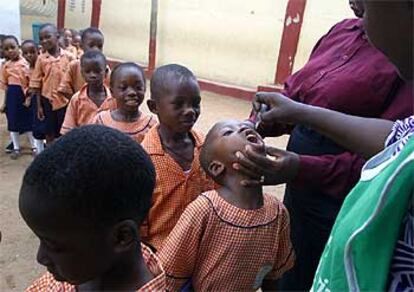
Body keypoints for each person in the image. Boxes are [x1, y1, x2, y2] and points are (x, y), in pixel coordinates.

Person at [236, 0, 413, 290]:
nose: (354, 4)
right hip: (301, 187)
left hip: (338, 193)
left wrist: (300, 166)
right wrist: (275, 117)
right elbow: (397, 136)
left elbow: (387, 153)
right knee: (293, 262)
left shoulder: (401, 62)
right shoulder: (341, 32)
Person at [21, 125, 166, 291]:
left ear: (121, 237)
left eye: (54, 246)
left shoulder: (81, 268)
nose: (41, 258)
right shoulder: (81, 272)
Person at [158, 120, 294, 291]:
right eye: (229, 132)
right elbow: (171, 270)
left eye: (246, 127)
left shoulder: (277, 211)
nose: (244, 128)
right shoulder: (205, 209)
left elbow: (275, 274)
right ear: (217, 168)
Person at [140, 64, 215, 251]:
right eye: (179, 104)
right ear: (154, 107)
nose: (190, 111)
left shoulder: (207, 148)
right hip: (162, 252)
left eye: (195, 103)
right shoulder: (143, 159)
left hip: (202, 247)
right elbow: (138, 214)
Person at [29, 23, 75, 143]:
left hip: (65, 101)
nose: (44, 41)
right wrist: (39, 106)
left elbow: (74, 80)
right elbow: (37, 84)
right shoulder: (41, 59)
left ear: (57, 36)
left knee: (64, 132)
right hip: (47, 101)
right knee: (49, 132)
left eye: (48, 37)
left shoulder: (70, 57)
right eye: (41, 39)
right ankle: (50, 156)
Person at [92, 62, 155, 143]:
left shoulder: (151, 125)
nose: (131, 92)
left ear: (145, 89)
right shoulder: (100, 121)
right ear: (112, 92)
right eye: (123, 88)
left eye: (138, 87)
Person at [61, 51, 116, 134]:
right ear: (82, 73)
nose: (92, 75)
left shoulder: (114, 99)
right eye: (88, 72)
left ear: (106, 72)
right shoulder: (76, 99)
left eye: (97, 71)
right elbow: (68, 129)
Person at [0, 35, 35, 159]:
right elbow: (4, 85)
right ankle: (16, 147)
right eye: (6, 49)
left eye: (12, 47)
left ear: (18, 47)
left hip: (24, 95)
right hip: (12, 97)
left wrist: (29, 98)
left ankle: (34, 146)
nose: (10, 51)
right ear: (3, 51)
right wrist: (4, 103)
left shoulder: (26, 63)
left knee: (28, 122)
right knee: (13, 122)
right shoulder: (5, 66)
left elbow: (31, 83)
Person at [58, 27, 108, 100]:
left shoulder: (104, 67)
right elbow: (64, 89)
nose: (96, 49)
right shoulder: (74, 65)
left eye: (99, 46)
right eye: (91, 45)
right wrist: (78, 101)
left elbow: (110, 90)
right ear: (81, 45)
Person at [21, 39, 45, 154]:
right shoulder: (25, 70)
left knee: (47, 125)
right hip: (35, 101)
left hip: (45, 99)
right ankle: (39, 151)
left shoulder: (44, 66)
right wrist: (29, 95)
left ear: (38, 51)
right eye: (25, 53)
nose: (29, 55)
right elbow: (25, 86)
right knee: (37, 126)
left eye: (32, 52)